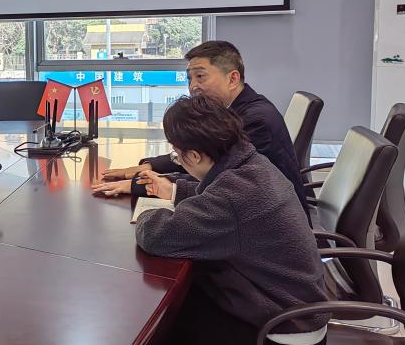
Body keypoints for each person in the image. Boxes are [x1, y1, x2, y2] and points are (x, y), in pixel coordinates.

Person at [95, 95, 328, 345]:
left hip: (285, 338)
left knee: (162, 331)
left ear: (195, 155)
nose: (177, 160)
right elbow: (212, 193)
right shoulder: (251, 164)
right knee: (173, 309)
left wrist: (153, 210)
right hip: (288, 312)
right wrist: (171, 190)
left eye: (177, 155)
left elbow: (156, 235)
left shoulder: (235, 196)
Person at [93, 41, 308, 217]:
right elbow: (206, 162)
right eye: (189, 78)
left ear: (233, 78)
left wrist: (140, 184)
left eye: (200, 76)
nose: (192, 86)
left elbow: (219, 182)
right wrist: (150, 166)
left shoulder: (254, 120)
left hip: (272, 228)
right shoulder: (233, 111)